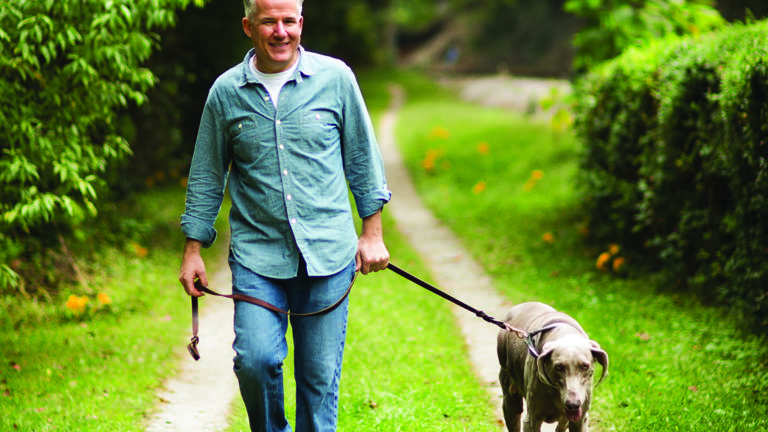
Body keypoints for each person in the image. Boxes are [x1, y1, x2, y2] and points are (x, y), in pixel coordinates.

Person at [177, 0, 391, 430]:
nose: (280, 31)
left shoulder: (336, 79)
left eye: (288, 21)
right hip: (258, 256)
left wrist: (372, 234)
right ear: (248, 26)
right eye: (268, 22)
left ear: (301, 23)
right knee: (255, 362)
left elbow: (363, 159)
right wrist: (193, 249)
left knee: (318, 381)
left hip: (328, 254)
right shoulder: (225, 93)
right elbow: (206, 175)